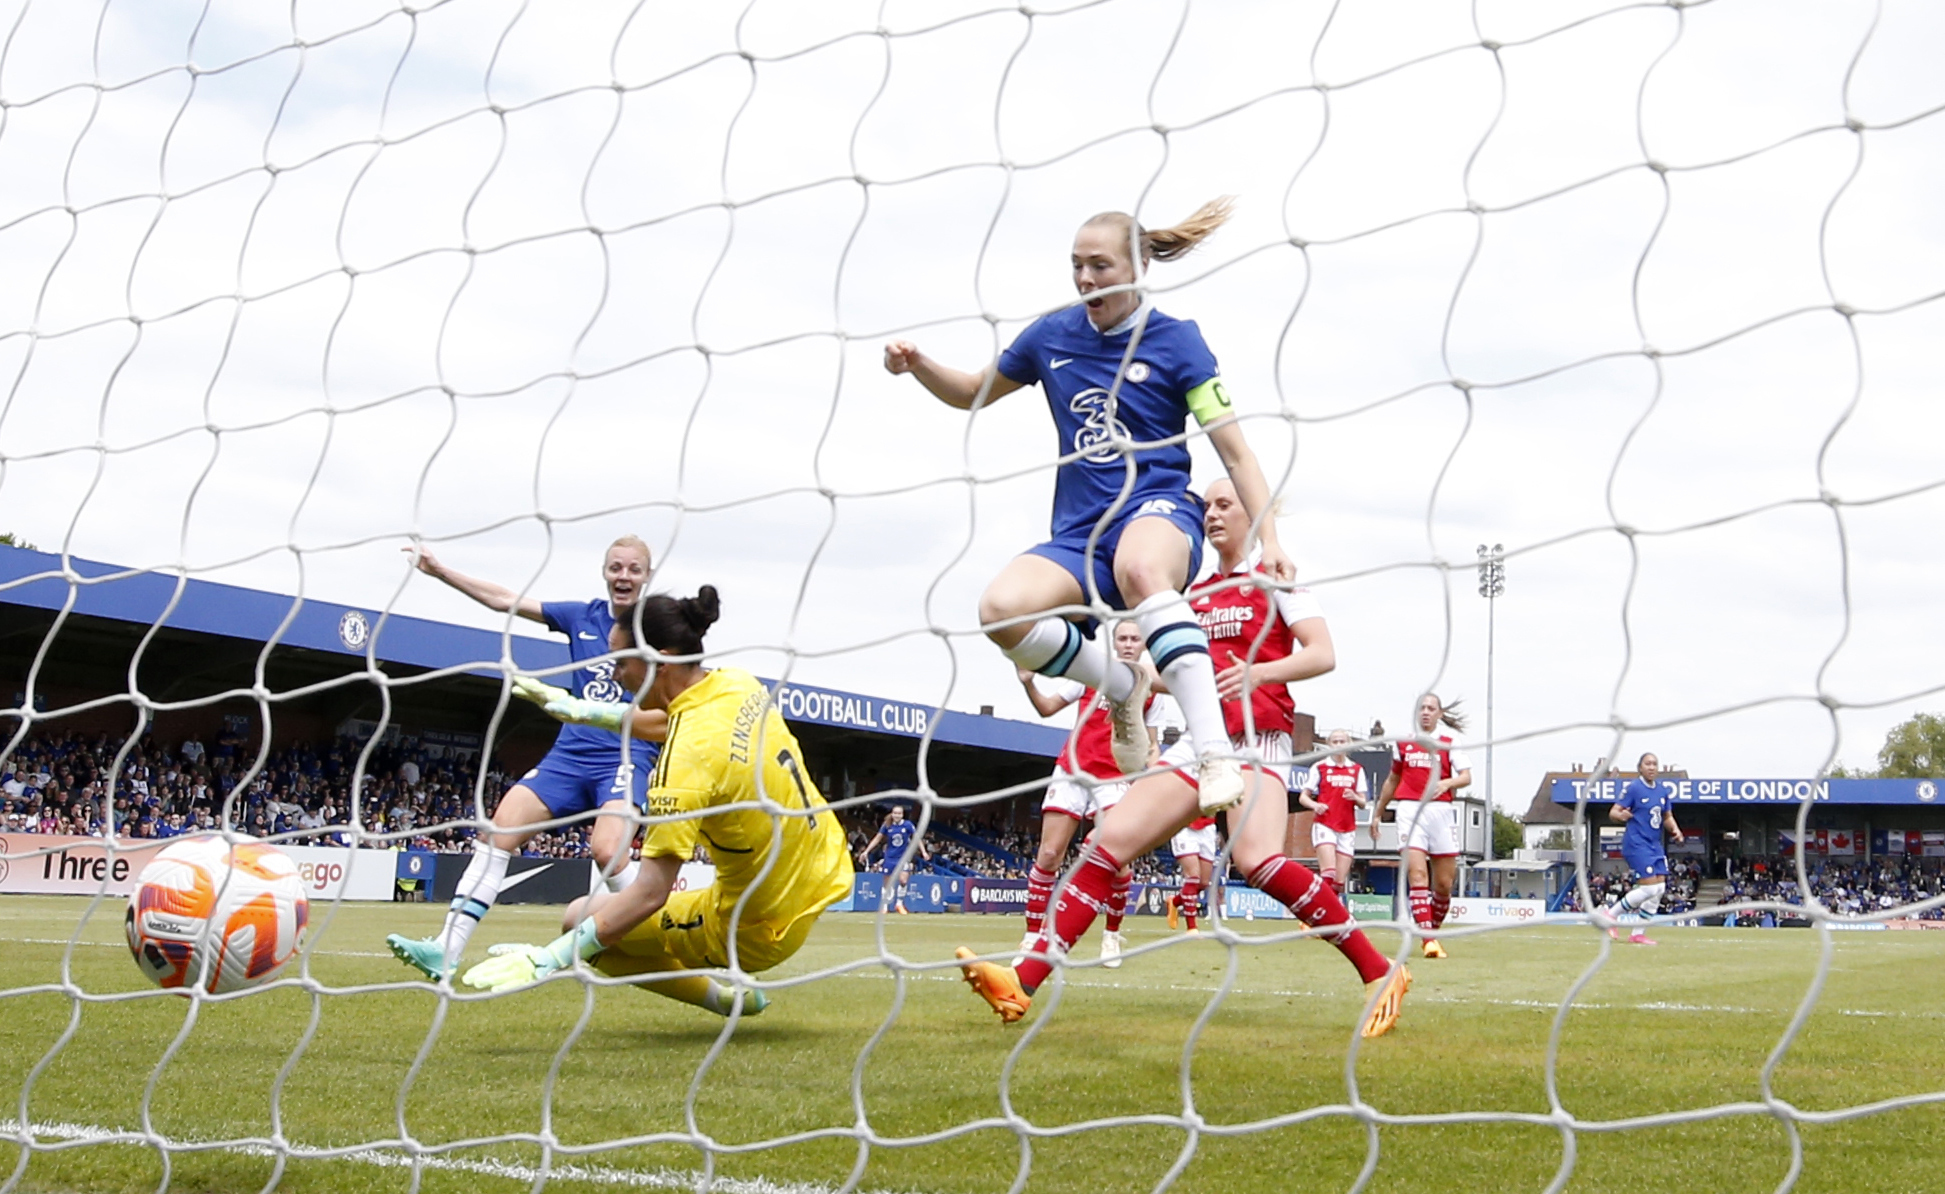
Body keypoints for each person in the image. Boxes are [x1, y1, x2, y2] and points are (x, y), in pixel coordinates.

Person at [884, 197, 1293, 818]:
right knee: (999, 611)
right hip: (1080, 533)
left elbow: (1235, 453)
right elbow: (970, 392)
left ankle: (1214, 752)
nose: (1084, 279)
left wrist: (1273, 541)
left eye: (1099, 266)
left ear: (1137, 268)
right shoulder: (1052, 335)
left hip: (1159, 512)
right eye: (1076, 266)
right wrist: (916, 365)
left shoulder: (1178, 342)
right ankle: (1121, 684)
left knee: (1141, 568)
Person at [956, 524, 1409, 1039]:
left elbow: (1322, 653)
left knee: (1258, 861)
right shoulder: (1190, 594)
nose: (1213, 514)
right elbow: (1171, 670)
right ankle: (1023, 981)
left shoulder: (1277, 578)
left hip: (1255, 738)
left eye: (1224, 503)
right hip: (1199, 740)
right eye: (1208, 506)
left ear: (1252, 513)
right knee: (1108, 844)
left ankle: (1379, 969)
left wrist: (1261, 673)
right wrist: (1126, 672)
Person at [462, 587, 854, 1016]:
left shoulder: (683, 765)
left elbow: (650, 893)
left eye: (620, 663)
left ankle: (721, 999)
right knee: (598, 919)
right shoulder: (737, 685)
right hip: (825, 871)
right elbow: (673, 721)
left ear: (659, 660)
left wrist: (550, 957)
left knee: (579, 921)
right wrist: (579, 710)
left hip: (757, 929)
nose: (614, 676)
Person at [387, 536, 659, 981]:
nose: (623, 577)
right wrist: (441, 572)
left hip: (627, 754)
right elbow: (505, 601)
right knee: (498, 832)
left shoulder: (659, 628)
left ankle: (658, 935)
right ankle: (445, 951)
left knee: (607, 849)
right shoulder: (581, 616)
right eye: (616, 568)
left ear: (647, 576)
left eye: (633, 569)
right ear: (605, 572)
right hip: (570, 754)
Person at [1016, 620, 1165, 967]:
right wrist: (1028, 683)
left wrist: (1150, 772)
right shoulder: (1091, 673)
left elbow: (1153, 743)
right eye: (1122, 638)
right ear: (1113, 642)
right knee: (1050, 853)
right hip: (1072, 770)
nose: (1128, 644)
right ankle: (1033, 933)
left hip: (1115, 778)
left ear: (1144, 644)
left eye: (1134, 639)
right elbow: (1047, 708)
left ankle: (1111, 936)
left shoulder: (1153, 688)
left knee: (1115, 860)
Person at [1370, 694, 1472, 960]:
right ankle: (1428, 939)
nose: (1425, 712)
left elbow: (1466, 777)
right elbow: (1392, 780)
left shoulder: (1450, 743)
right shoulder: (1403, 743)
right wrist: (1378, 813)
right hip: (1409, 810)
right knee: (1417, 875)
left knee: (1444, 884)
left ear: (1439, 714)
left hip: (1441, 812)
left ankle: (1432, 933)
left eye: (1431, 708)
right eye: (1422, 708)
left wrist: (1447, 784)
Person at [1608, 752, 1684, 946]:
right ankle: (1610, 915)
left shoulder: (1661, 790)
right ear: (1640, 767)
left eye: (1655, 764)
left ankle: (1637, 933)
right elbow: (1614, 811)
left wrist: (1675, 830)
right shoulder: (1634, 787)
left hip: (1654, 844)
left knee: (1660, 889)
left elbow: (1666, 816)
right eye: (1648, 764)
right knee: (1650, 887)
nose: (1651, 767)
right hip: (1636, 842)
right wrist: (1621, 815)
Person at [1298, 729, 1368, 899]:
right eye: (1335, 742)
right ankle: (1317, 913)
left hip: (1347, 827)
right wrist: (1315, 805)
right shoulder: (1320, 767)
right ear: (1329, 745)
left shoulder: (1356, 769)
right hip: (1325, 823)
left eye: (1342, 741)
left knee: (1338, 882)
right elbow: (1303, 797)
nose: (1338, 745)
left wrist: (1355, 797)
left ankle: (1325, 912)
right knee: (1328, 873)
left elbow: (1363, 802)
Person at [856, 804, 931, 913]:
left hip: (903, 857)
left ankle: (899, 904)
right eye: (895, 813)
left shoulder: (907, 825)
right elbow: (877, 838)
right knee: (887, 883)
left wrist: (923, 852)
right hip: (890, 857)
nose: (897, 815)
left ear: (902, 815)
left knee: (903, 880)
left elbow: (917, 838)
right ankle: (885, 905)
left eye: (899, 813)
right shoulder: (887, 825)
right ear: (892, 814)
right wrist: (866, 851)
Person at [1165, 815, 1217, 932]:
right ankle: (1192, 927)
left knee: (1203, 882)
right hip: (1184, 825)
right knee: (1193, 877)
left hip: (1207, 826)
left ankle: (1174, 901)